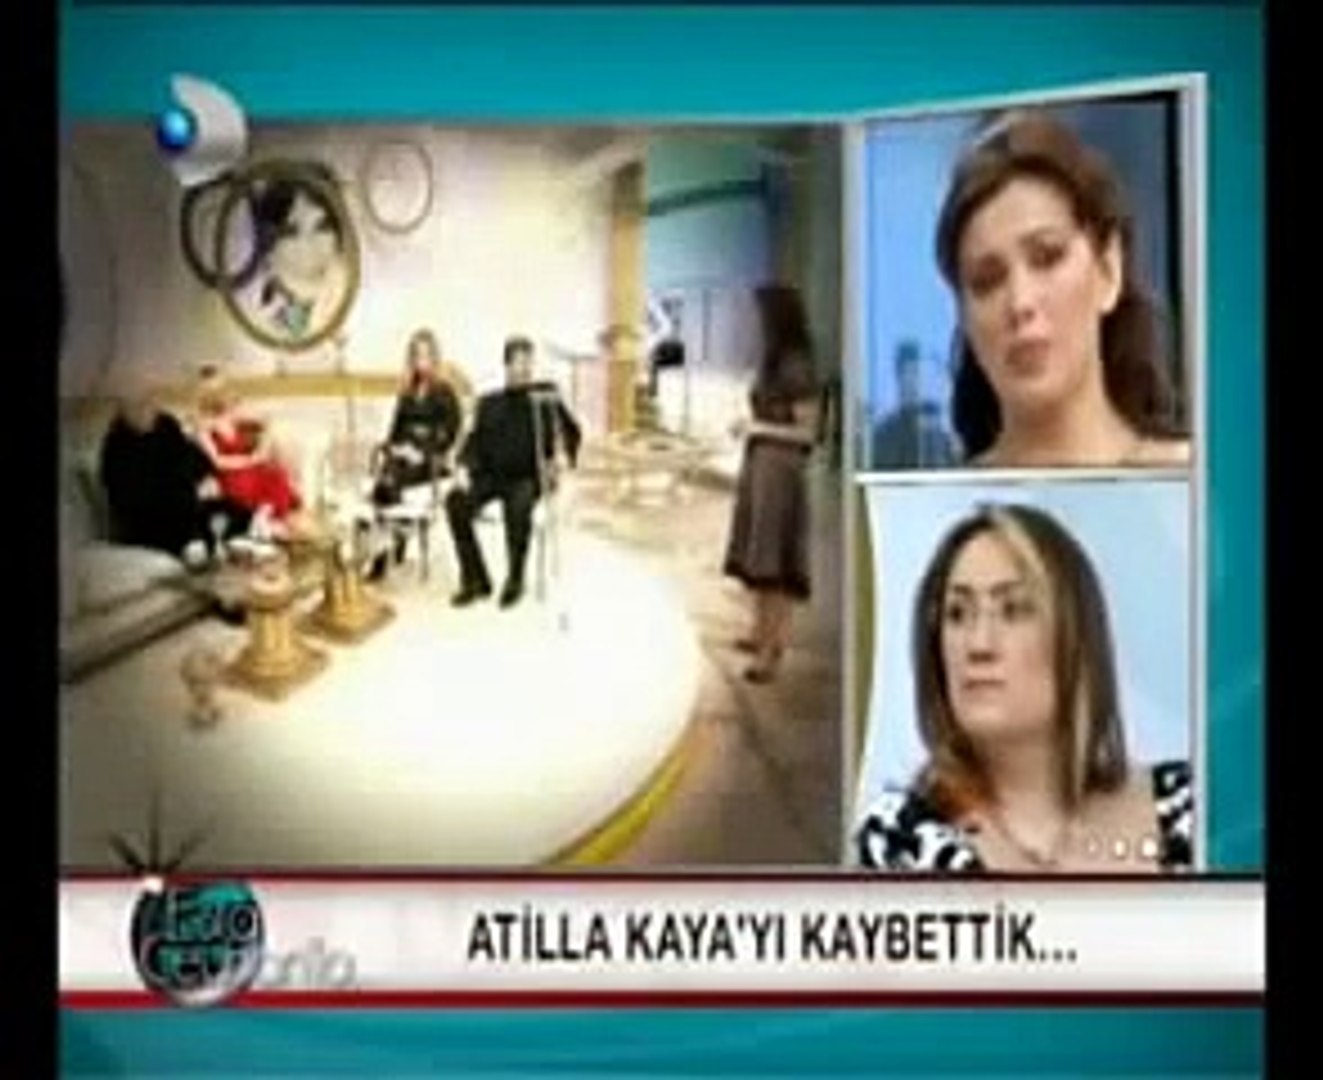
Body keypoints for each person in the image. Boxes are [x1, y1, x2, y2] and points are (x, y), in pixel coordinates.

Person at [853, 503, 1193, 874]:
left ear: (1075, 638)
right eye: (957, 614)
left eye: (1014, 610)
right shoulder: (901, 842)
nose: (979, 645)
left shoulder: (1193, 806)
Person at [934, 111, 1190, 468]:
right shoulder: (938, 500)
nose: (1020, 302)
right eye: (987, 281)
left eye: (1047, 257)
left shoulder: (1196, 477)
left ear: (1108, 269)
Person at [722, 283, 820, 683]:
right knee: (758, 555)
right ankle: (759, 632)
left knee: (775, 562)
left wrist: (756, 428)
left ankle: (771, 649)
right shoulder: (773, 361)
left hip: (781, 471)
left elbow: (808, 432)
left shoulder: (797, 364)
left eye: (759, 315)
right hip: (761, 465)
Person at [444, 336, 582, 609]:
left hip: (529, 476)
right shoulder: (489, 402)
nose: (525, 369)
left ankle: (515, 578)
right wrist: (462, 467)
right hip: (491, 475)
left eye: (529, 362)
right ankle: (476, 579)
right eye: (519, 363)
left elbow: (571, 431)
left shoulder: (544, 397)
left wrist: (564, 456)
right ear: (506, 365)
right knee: (455, 501)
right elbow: (474, 443)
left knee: (519, 504)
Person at [98, 378, 250, 560]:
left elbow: (190, 454)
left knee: (239, 510)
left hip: (186, 501)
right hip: (149, 518)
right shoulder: (116, 445)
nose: (147, 409)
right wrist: (188, 490)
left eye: (150, 401)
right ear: (121, 409)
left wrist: (207, 475)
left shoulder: (166, 424)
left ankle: (228, 547)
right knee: (186, 523)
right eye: (138, 405)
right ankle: (200, 548)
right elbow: (127, 500)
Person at [367, 329, 465, 578]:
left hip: (431, 462)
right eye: (417, 355)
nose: (422, 361)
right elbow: (394, 432)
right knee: (387, 477)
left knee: (390, 481)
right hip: (403, 458)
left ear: (434, 357)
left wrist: (422, 452)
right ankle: (389, 545)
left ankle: (389, 549)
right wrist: (396, 447)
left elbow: (449, 434)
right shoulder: (407, 393)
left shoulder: (445, 392)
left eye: (426, 355)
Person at [247, 165, 350, 343]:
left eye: (322, 227)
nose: (309, 247)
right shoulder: (264, 318)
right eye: (291, 232)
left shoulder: (344, 289)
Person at [193, 367, 303, 531]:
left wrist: (263, 447)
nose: (217, 394)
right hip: (231, 473)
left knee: (276, 475)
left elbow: (267, 420)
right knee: (253, 482)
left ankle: (264, 515)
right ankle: (262, 517)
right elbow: (218, 462)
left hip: (252, 467)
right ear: (203, 393)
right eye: (211, 389)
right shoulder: (203, 425)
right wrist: (250, 460)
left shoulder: (233, 414)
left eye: (220, 387)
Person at [869, 340, 958, 469]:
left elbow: (949, 468)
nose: (913, 380)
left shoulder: (936, 434)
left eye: (916, 372)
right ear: (898, 376)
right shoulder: (884, 434)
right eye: (908, 372)